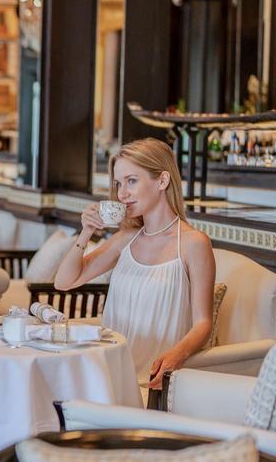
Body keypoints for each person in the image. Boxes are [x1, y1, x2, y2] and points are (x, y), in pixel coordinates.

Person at [54, 138, 214, 390]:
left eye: (131, 181)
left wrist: (176, 356)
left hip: (152, 380)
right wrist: (86, 232)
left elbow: (203, 322)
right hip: (107, 373)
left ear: (162, 181)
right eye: (118, 184)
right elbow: (64, 282)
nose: (121, 194)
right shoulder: (126, 239)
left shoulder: (194, 243)